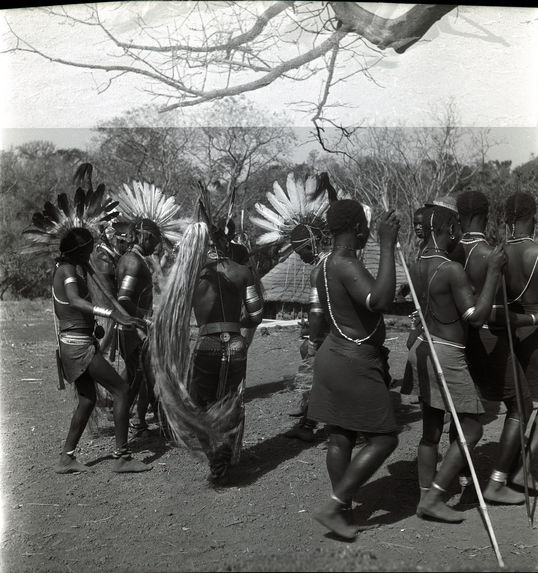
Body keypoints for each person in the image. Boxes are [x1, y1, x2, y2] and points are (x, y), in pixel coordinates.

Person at [307, 199, 401, 540]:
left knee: (341, 435)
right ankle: (335, 504)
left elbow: (362, 302)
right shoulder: (345, 263)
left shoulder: (327, 264)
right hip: (353, 361)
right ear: (359, 229)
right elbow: (379, 301)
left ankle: (342, 514)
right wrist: (388, 245)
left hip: (334, 355)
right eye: (366, 230)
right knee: (384, 439)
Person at [406, 199, 506, 522]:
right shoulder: (450, 270)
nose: (457, 234)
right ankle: (434, 497)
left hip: (423, 346)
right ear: (447, 228)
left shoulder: (418, 259)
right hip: (447, 354)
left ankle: (425, 493)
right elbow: (476, 317)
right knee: (473, 428)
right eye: (455, 229)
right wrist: (492, 272)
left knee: (431, 427)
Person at [457, 189, 535, 504]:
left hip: (478, 338)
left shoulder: (457, 251)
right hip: (510, 337)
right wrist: (531, 316)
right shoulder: (501, 255)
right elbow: (490, 308)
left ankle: (464, 474)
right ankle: (507, 478)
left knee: (467, 410)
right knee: (524, 406)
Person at [52, 227, 152, 473]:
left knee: (87, 400)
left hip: (74, 342)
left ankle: (66, 458)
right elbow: (75, 301)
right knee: (120, 389)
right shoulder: (67, 272)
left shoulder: (70, 269)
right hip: (78, 346)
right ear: (80, 251)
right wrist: (113, 313)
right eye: (88, 249)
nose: (92, 253)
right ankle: (123, 457)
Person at [189, 217, 264, 485]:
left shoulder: (191, 274)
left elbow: (174, 312)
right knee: (231, 400)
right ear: (225, 240)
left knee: (199, 404)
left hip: (206, 344)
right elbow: (256, 315)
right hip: (235, 344)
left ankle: (215, 459)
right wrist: (234, 323)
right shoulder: (242, 272)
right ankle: (226, 456)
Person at [503, 191, 538, 493]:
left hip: (513, 334)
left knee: (522, 404)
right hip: (535, 332)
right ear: (533, 217)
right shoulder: (534, 253)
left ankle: (515, 467)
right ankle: (525, 471)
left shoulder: (500, 252)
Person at [284, 222, 330, 442]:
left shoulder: (321, 269)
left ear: (311, 244)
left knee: (313, 362)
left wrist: (313, 339)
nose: (300, 257)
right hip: (337, 332)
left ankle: (312, 422)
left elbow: (317, 311)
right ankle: (309, 420)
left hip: (336, 336)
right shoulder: (330, 262)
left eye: (300, 251)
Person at [116, 218, 162, 434]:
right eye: (154, 240)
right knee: (134, 381)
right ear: (145, 236)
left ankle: (139, 422)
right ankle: (124, 440)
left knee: (136, 378)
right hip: (134, 330)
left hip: (133, 328)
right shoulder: (133, 261)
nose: (156, 246)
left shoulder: (132, 258)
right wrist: (145, 319)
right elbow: (124, 298)